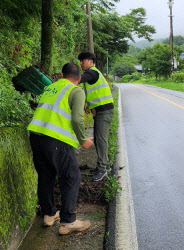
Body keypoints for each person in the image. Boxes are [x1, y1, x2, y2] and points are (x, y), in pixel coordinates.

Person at [27, 62, 94, 235]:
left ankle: (49, 214)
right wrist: (83, 140)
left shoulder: (50, 88)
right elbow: (78, 119)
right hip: (56, 140)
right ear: (78, 79)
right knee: (71, 177)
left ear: (62, 76)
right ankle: (68, 221)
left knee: (46, 176)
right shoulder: (76, 90)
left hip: (36, 136)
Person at [78, 51, 114, 182]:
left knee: (101, 139)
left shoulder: (93, 72)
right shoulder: (93, 73)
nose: (81, 63)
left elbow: (79, 79)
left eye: (83, 60)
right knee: (99, 139)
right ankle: (104, 164)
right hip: (101, 111)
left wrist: (67, 78)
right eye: (80, 61)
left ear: (91, 62)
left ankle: (103, 168)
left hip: (104, 112)